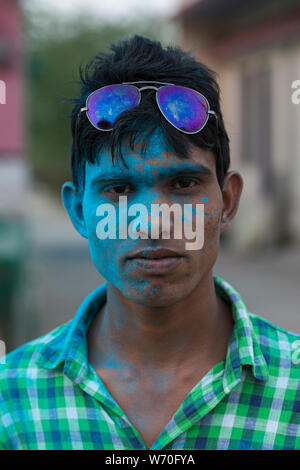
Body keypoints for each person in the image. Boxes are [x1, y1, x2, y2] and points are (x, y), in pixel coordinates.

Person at [0, 35, 299, 451]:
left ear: (227, 201)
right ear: (79, 212)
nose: (153, 221)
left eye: (183, 183)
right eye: (119, 188)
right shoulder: (12, 400)